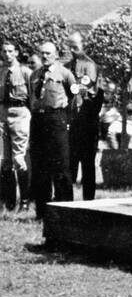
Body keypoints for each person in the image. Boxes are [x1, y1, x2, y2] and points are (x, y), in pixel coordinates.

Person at [28, 39, 79, 217]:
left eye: (48, 53)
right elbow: (31, 98)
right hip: (38, 120)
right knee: (40, 167)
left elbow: (75, 99)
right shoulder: (34, 75)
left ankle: (66, 210)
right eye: (42, 53)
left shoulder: (65, 74)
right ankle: (42, 211)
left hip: (57, 119)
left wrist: (66, 119)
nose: (45, 56)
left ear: (56, 55)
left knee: (61, 166)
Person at [64, 31, 104, 202]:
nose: (72, 50)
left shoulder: (89, 66)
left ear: (83, 44)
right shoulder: (67, 66)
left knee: (88, 164)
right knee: (70, 162)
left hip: (87, 120)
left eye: (75, 46)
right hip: (72, 120)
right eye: (70, 46)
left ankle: (89, 201)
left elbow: (89, 89)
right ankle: (67, 199)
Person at [0, 38, 31, 211]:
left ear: (17, 53)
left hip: (20, 114)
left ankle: (25, 201)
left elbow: (32, 97)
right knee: (4, 161)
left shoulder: (25, 72)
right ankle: (9, 201)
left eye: (11, 51)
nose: (7, 54)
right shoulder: (1, 72)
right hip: (2, 113)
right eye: (4, 51)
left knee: (19, 158)